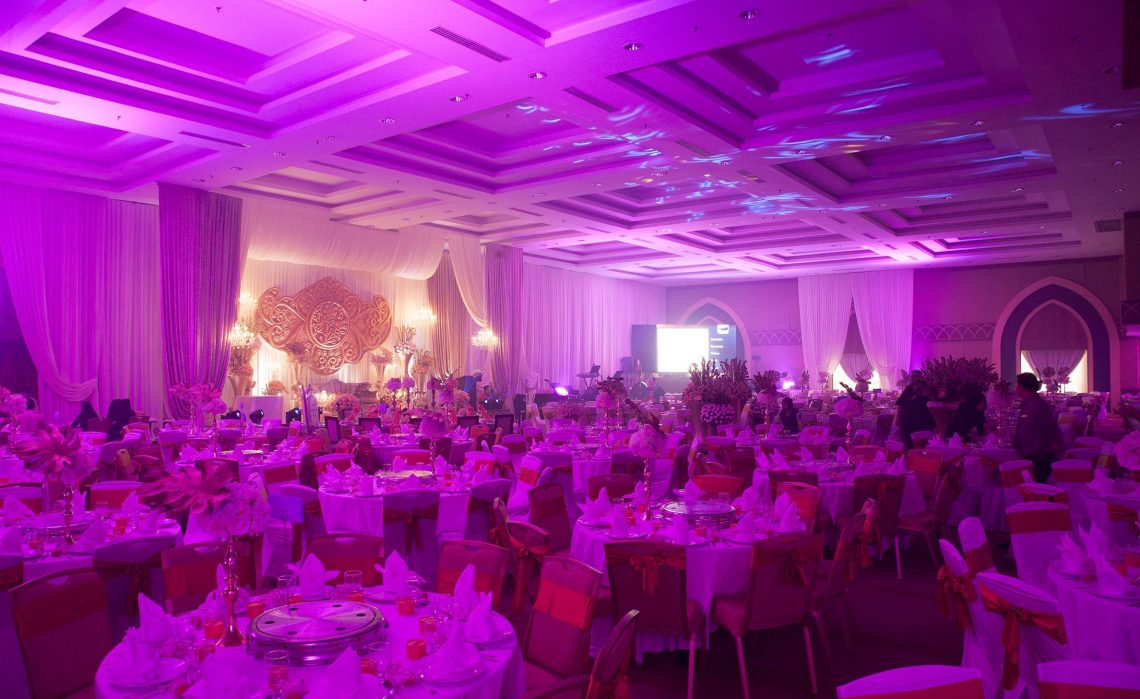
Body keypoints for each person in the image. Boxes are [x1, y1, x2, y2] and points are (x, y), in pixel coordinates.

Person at [1013, 372, 1062, 482]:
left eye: (1017, 384)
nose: (1015, 388)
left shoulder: (1038, 405)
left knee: (1038, 488)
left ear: (1022, 387)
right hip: (1030, 455)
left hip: (1039, 458)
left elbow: (1050, 430)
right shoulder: (1028, 404)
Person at [896, 370, 936, 449]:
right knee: (909, 443)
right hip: (908, 421)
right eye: (913, 377)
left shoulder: (927, 389)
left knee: (921, 444)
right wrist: (898, 418)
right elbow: (900, 404)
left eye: (917, 377)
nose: (915, 379)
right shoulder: (909, 389)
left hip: (922, 421)